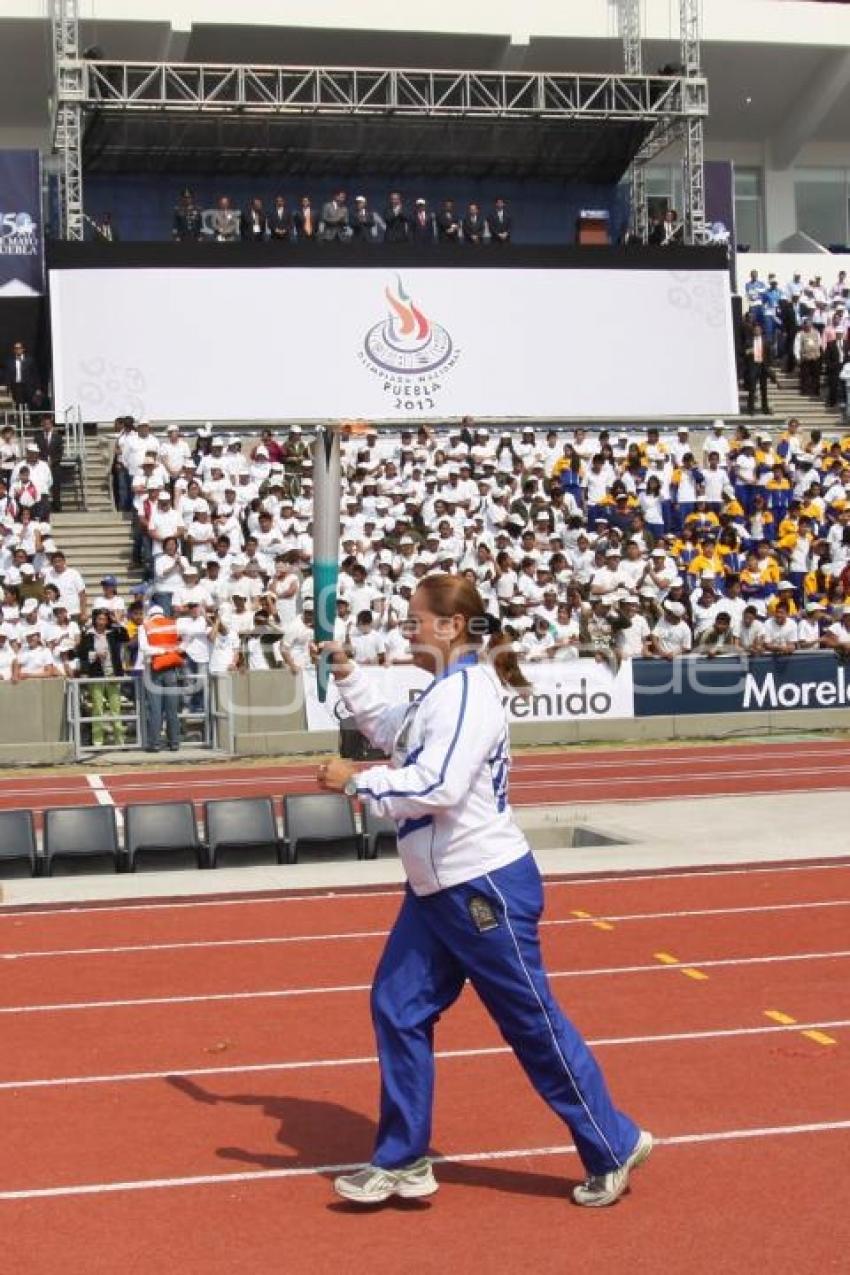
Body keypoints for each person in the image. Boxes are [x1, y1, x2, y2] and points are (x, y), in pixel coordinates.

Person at [317, 575, 651, 1208]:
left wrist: (356, 784)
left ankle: (613, 1141)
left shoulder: (469, 693)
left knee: (529, 1023)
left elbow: (437, 785)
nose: (407, 628)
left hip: (482, 886)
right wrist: (348, 676)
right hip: (436, 888)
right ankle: (404, 1158)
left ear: (450, 627)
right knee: (397, 1006)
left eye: (416, 619)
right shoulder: (438, 693)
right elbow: (395, 729)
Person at [138, 604, 183, 752]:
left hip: (154, 668)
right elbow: (180, 645)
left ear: (150, 615)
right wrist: (168, 651)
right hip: (171, 668)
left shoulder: (145, 626)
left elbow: (144, 648)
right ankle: (174, 742)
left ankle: (155, 743)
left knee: (155, 708)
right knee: (172, 708)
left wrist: (160, 651)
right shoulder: (172, 624)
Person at [3, 341, 39, 409]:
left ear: (23, 349)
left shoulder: (30, 360)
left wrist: (37, 388)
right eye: (16, 348)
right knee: (17, 403)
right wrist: (6, 385)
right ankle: (19, 418)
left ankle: (29, 418)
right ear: (14, 350)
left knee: (29, 403)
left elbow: (35, 375)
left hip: (28, 385)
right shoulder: (9, 362)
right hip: (16, 385)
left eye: (19, 348)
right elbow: (7, 375)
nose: (18, 349)